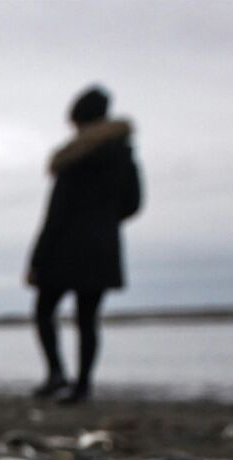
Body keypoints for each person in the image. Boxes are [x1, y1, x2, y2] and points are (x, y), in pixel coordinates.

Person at [26, 85, 142, 403]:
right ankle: (83, 386)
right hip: (103, 247)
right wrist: (104, 221)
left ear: (80, 120)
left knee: (44, 309)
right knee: (88, 319)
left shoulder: (74, 158)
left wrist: (37, 259)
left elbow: (56, 213)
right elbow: (133, 203)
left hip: (65, 247)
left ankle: (56, 374)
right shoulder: (124, 154)